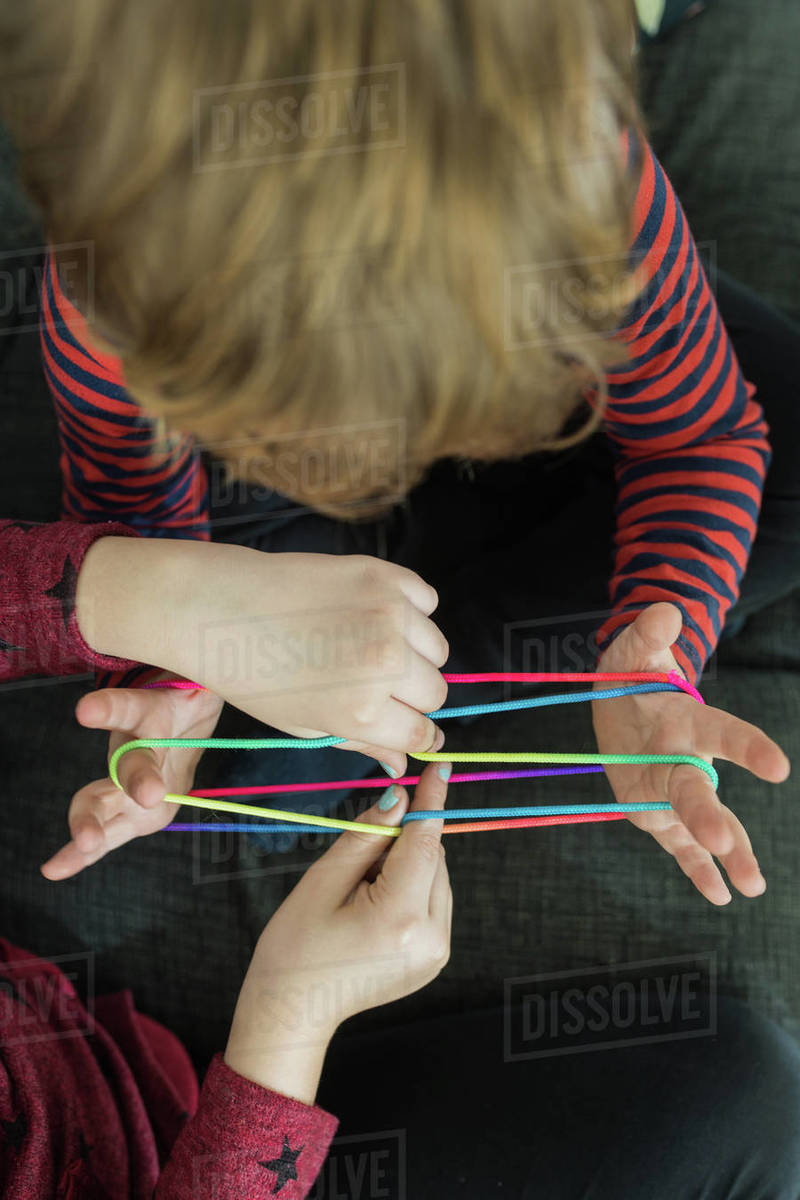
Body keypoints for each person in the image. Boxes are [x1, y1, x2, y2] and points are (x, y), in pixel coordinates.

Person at [0, 0, 794, 903]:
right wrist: (175, 674)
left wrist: (653, 644)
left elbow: (702, 435)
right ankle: (407, 670)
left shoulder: (584, 189)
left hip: (551, 339)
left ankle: (423, 670)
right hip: (251, 507)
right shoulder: (115, 287)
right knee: (236, 785)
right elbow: (133, 508)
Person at [2, 762, 800, 1198]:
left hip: (114, 1068)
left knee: (746, 1098)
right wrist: (289, 1014)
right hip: (226, 1162)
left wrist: (129, 612)